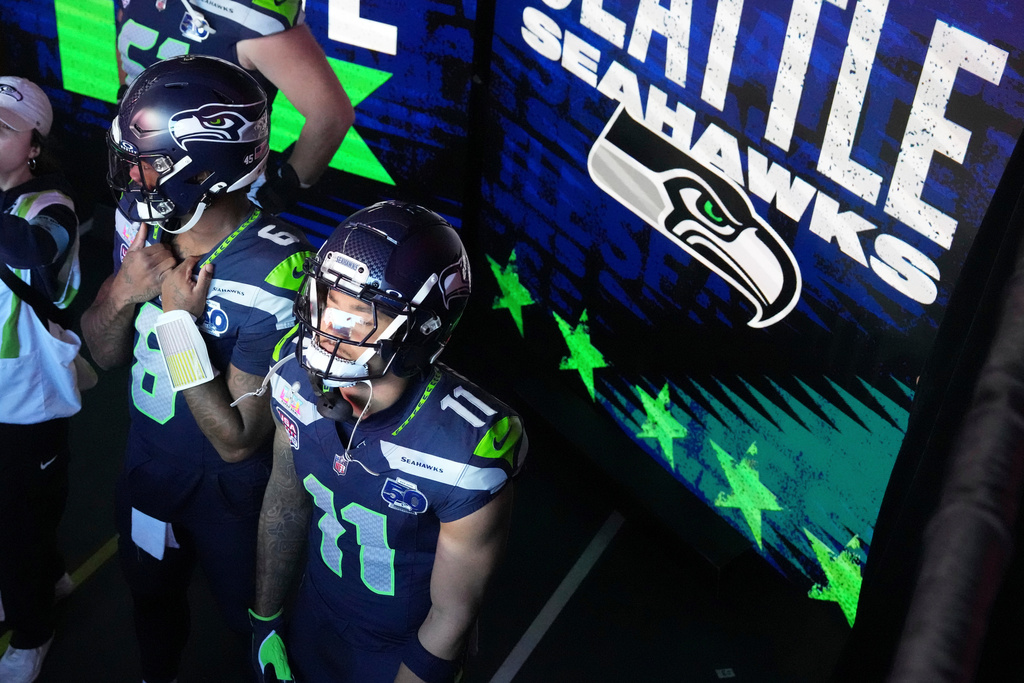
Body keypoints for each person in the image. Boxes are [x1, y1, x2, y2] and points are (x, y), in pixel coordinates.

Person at [80, 55, 312, 683]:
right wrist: (122, 292)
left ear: (203, 168)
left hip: (229, 497)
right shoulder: (142, 229)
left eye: (145, 162)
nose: (131, 177)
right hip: (147, 471)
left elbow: (237, 442)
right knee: (151, 605)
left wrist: (179, 323)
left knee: (255, 632)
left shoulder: (279, 270)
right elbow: (100, 353)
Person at [249, 201, 527, 683]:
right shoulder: (292, 377)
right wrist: (265, 617)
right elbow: (284, 504)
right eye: (328, 298)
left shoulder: (467, 445)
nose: (329, 326)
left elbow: (451, 617)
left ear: (422, 330)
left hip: (398, 651)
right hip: (315, 615)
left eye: (359, 312)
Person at [115, 0, 354, 214]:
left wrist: (285, 185)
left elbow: (331, 115)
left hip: (215, 189)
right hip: (137, 167)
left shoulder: (251, 14)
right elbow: (126, 40)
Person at [0, 76, 82, 683]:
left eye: (3, 127)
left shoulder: (49, 206)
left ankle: (33, 633)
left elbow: (33, 250)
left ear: (34, 145)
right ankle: (47, 579)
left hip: (29, 400)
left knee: (19, 522)